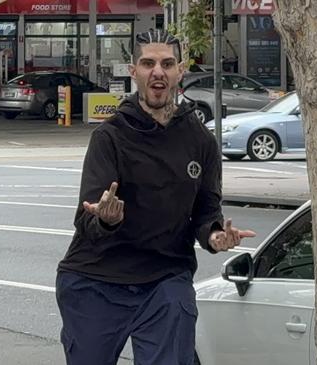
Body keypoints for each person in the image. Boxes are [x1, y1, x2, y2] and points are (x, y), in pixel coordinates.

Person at [56, 29, 256, 365]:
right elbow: (87, 217)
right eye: (148, 63)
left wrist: (215, 233)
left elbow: (206, 211)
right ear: (134, 72)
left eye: (167, 63)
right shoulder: (110, 137)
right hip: (96, 280)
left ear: (180, 71)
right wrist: (107, 218)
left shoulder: (201, 141)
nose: (158, 71)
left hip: (165, 277)